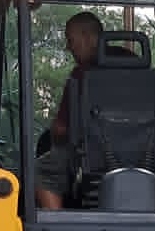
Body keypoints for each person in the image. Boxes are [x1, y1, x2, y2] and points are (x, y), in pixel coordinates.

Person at [34, 12, 104, 211]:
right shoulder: (134, 62)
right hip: (143, 157)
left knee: (39, 171)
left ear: (89, 38)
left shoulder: (81, 74)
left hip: (89, 156)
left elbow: (61, 129)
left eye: (70, 40)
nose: (68, 46)